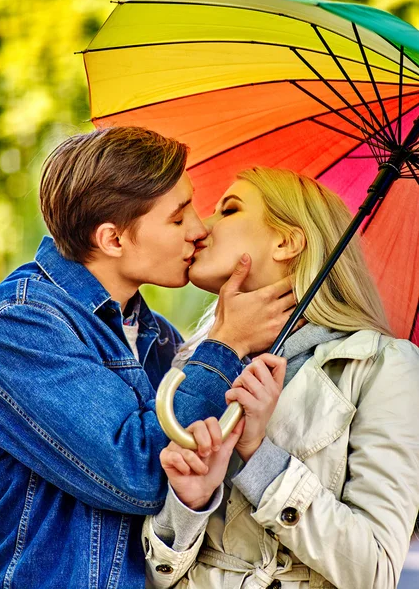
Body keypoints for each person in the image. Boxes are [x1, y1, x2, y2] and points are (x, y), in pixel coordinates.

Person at [0, 129, 297, 589]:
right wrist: (225, 344)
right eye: (178, 218)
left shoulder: (159, 338)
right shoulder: (22, 323)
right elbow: (140, 473)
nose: (200, 231)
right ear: (113, 240)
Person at [143, 167, 419, 589]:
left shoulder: (380, 368)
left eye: (229, 210)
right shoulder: (192, 362)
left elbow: (375, 571)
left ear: (287, 242)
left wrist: (260, 456)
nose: (200, 227)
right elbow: (153, 574)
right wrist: (189, 503)